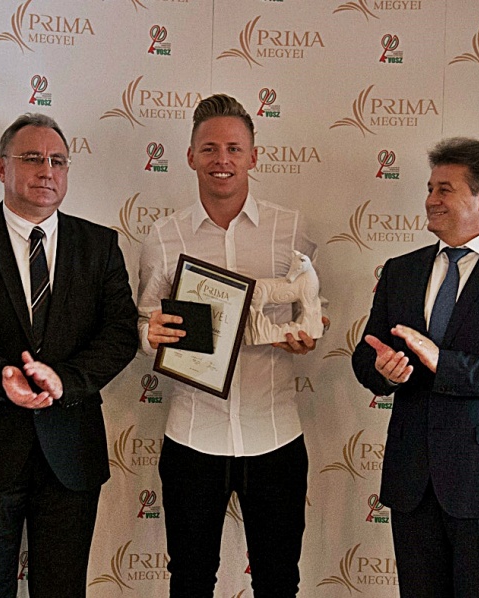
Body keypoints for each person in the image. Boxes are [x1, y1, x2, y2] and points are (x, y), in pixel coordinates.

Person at [0, 113, 138, 598]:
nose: (47, 170)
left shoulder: (99, 244)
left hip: (71, 452)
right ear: (1, 168)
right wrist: (0, 375)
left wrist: (66, 380)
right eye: (32, 158)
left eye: (58, 161)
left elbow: (121, 333)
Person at [350, 138, 479, 597]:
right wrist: (384, 371)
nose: (431, 200)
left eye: (445, 189)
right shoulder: (401, 270)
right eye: (430, 188)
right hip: (412, 480)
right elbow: (366, 356)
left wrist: (444, 364)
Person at [138, 94, 325, 597]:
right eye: (210, 148)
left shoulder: (292, 228)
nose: (222, 160)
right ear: (190, 156)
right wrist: (149, 335)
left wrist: (306, 336)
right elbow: (145, 319)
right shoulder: (163, 237)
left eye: (234, 149)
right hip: (193, 435)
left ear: (253, 156)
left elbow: (310, 305)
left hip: (275, 434)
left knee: (279, 581)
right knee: (190, 581)